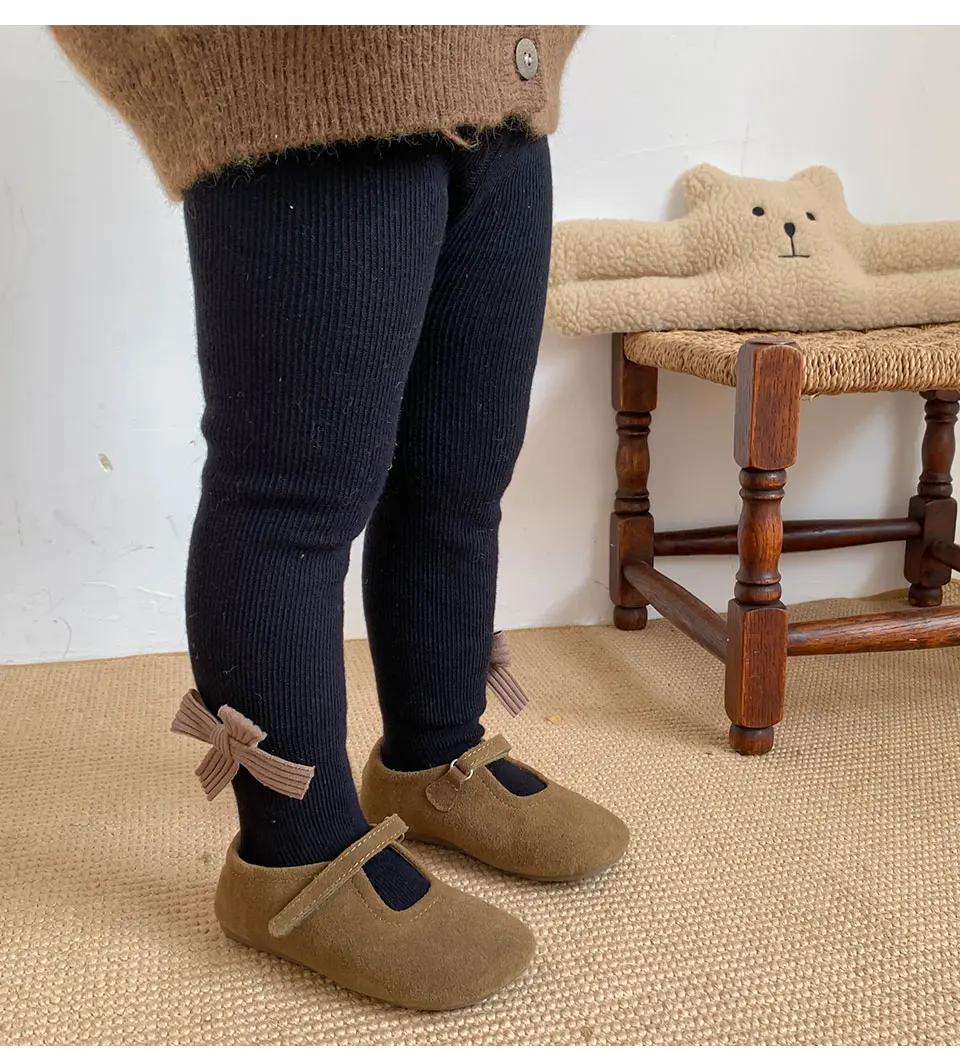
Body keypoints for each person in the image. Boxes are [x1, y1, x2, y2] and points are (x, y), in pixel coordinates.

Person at [51, 25, 629, 1010]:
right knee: (292, 501)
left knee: (460, 474)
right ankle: (291, 858)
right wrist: (200, 81)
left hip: (501, 100)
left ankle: (432, 758)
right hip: (311, 95)